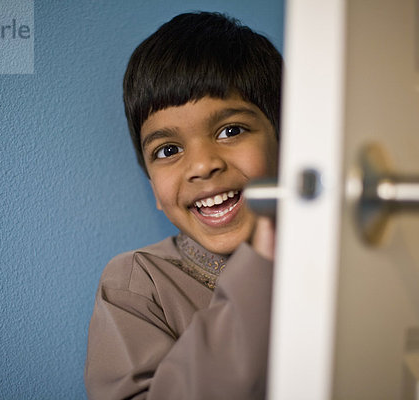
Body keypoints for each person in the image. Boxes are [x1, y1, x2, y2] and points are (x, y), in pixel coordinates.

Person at [85, 11, 282, 399]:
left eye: (231, 130)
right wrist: (259, 274)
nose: (203, 165)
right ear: (154, 188)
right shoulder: (136, 284)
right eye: (169, 150)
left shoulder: (336, 260)